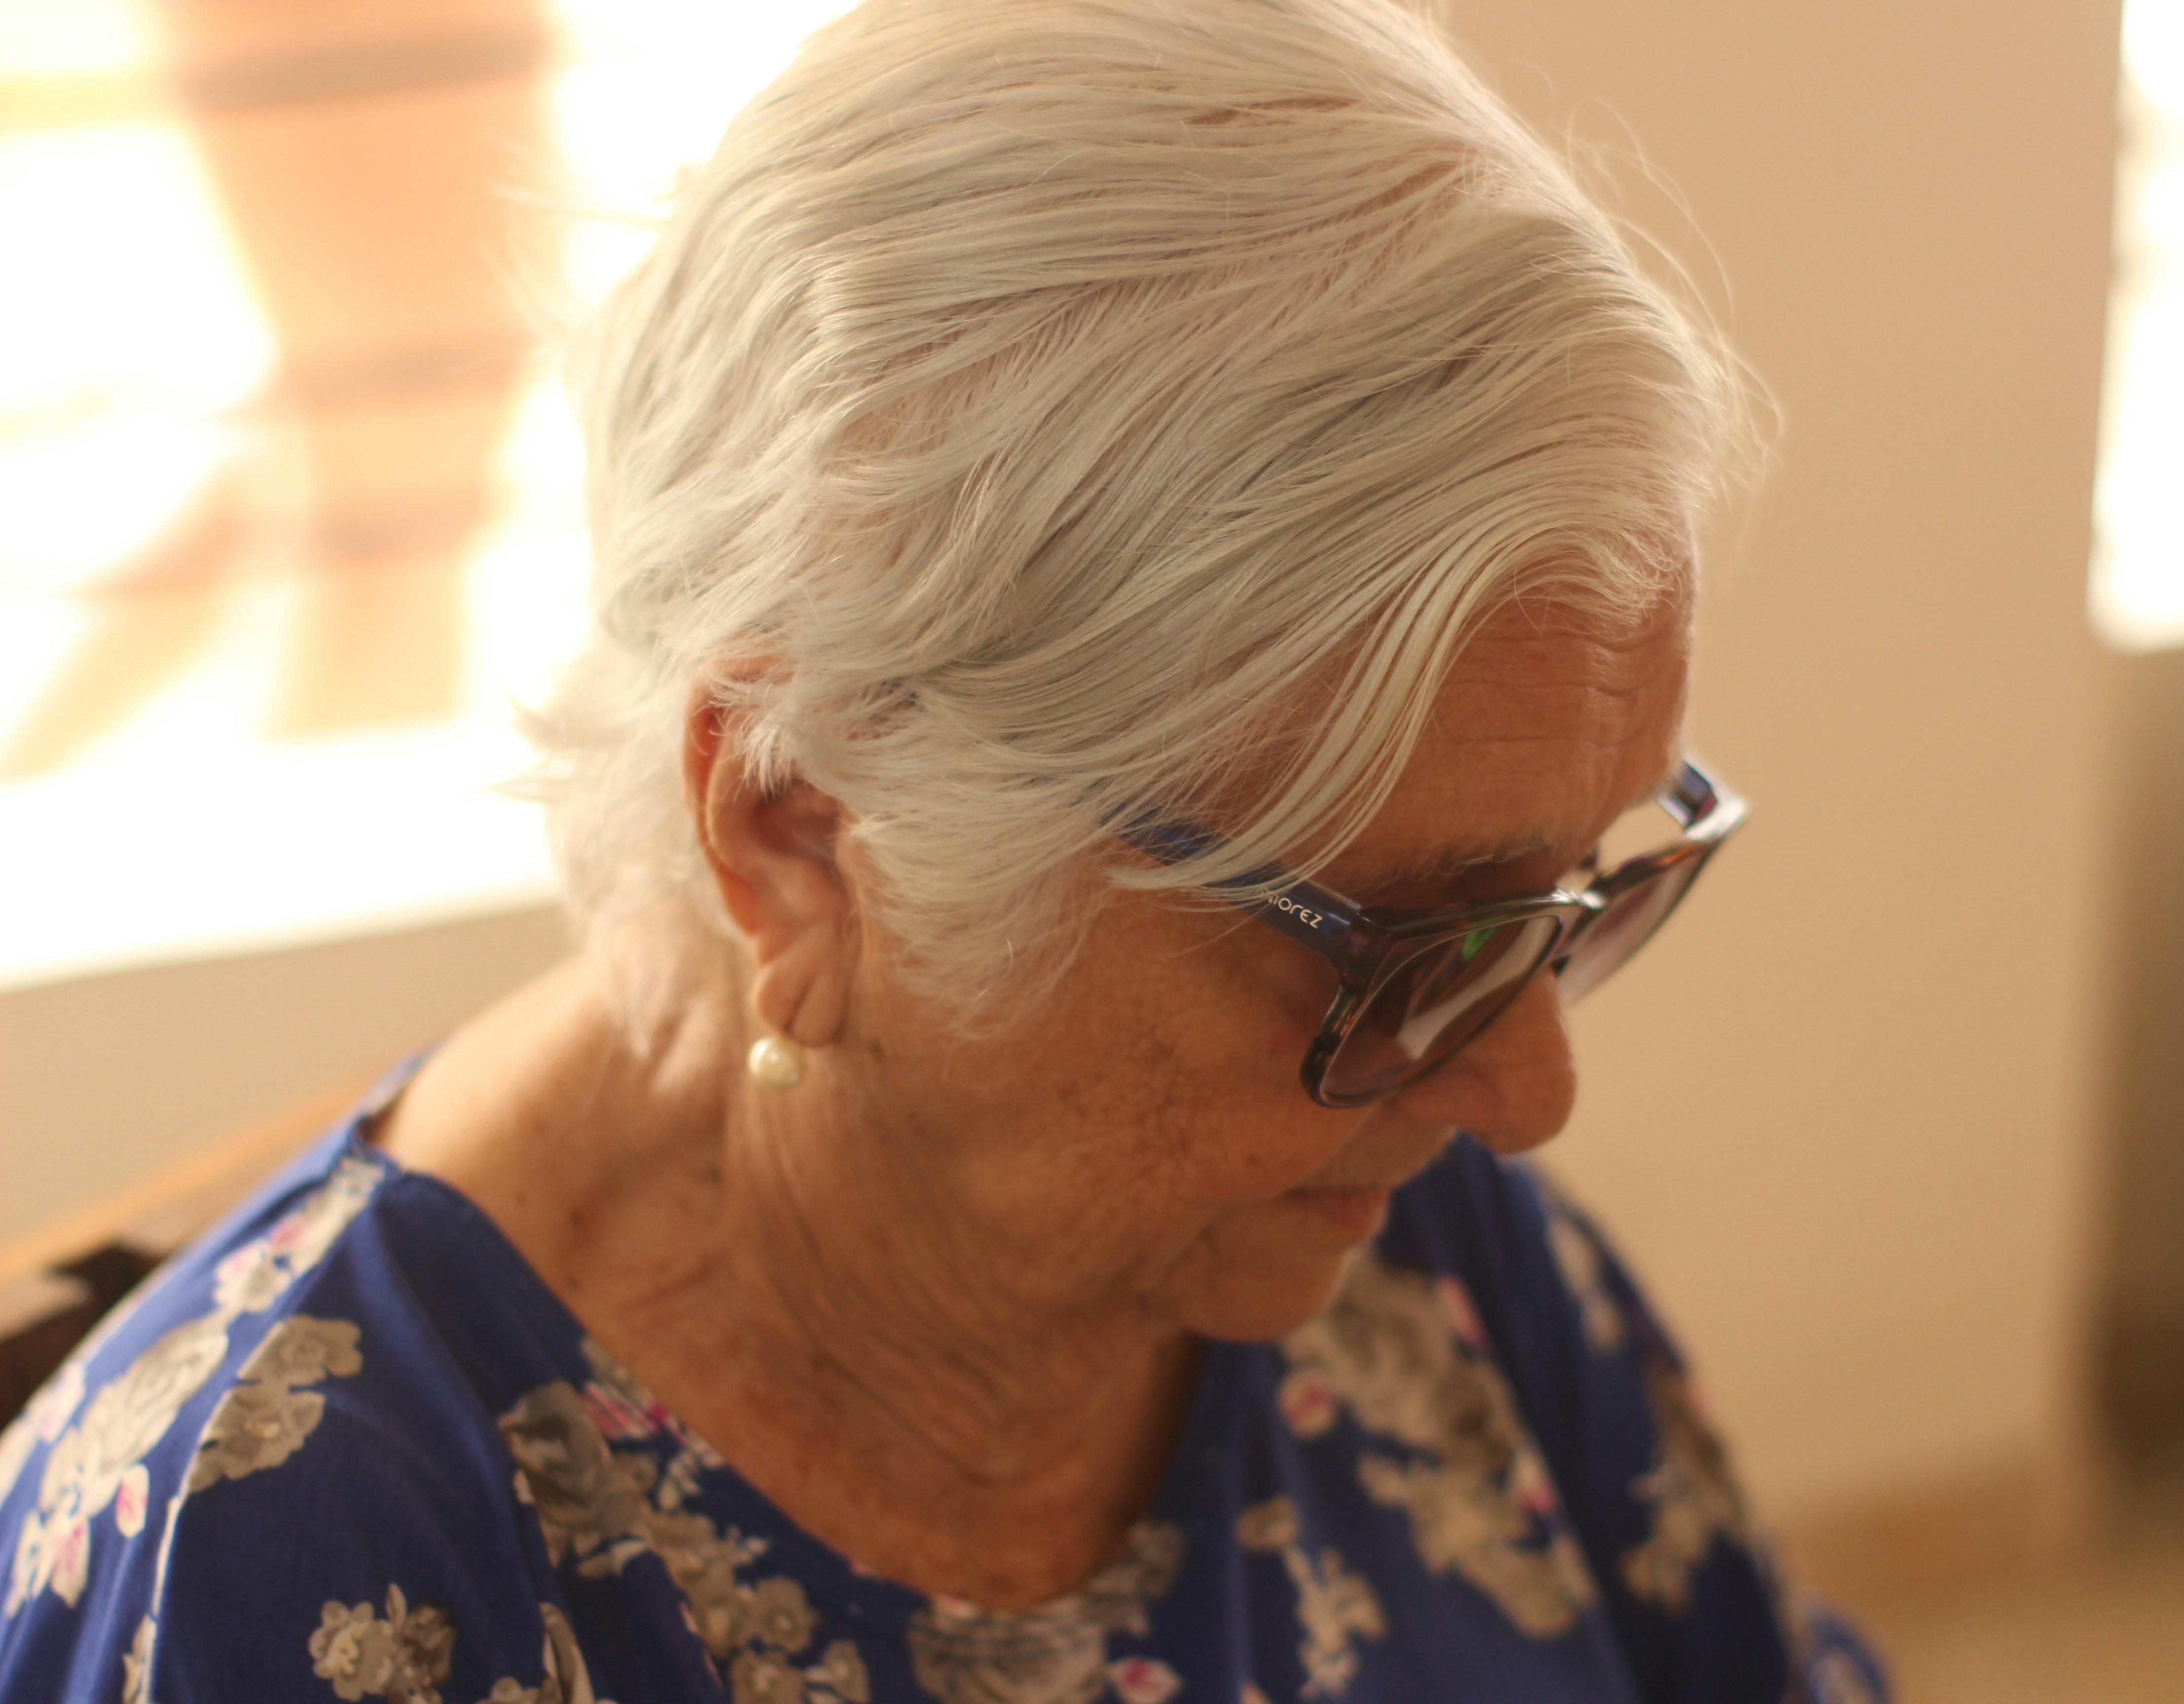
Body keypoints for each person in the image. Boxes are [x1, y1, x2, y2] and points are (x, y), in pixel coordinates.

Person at [0, 0, 1887, 1699]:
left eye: (1570, 898)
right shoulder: (284, 1570)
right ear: (799, 828)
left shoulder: (1394, 1208)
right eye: (1406, 940)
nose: (1528, 1094)